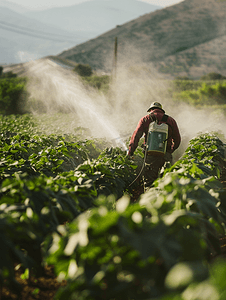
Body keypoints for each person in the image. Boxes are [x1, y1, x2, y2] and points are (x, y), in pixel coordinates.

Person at [127, 102, 181, 190]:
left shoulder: (145, 119)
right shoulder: (171, 120)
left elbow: (136, 136)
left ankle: (151, 201)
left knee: (149, 183)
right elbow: (177, 140)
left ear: (151, 110)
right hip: (165, 155)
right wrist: (169, 151)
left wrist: (130, 152)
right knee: (167, 182)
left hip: (150, 155)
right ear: (161, 110)